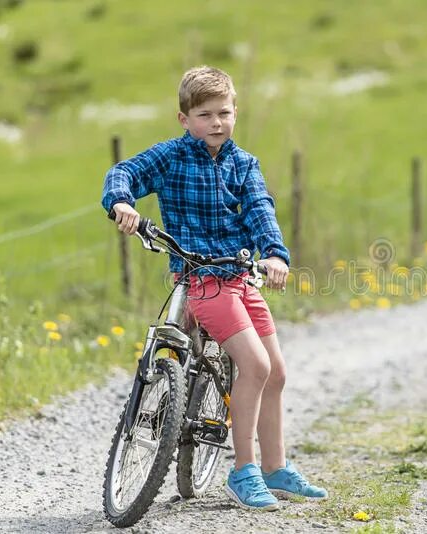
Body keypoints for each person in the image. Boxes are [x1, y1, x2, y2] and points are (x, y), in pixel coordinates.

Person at [101, 66, 327, 511]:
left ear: (236, 113)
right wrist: (122, 202)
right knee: (256, 365)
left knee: (276, 372)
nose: (216, 122)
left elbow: (260, 209)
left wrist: (275, 252)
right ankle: (243, 471)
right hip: (200, 280)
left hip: (240, 276)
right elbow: (124, 171)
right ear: (185, 119)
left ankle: (275, 467)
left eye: (224, 113)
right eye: (205, 114)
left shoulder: (244, 165)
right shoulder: (171, 158)